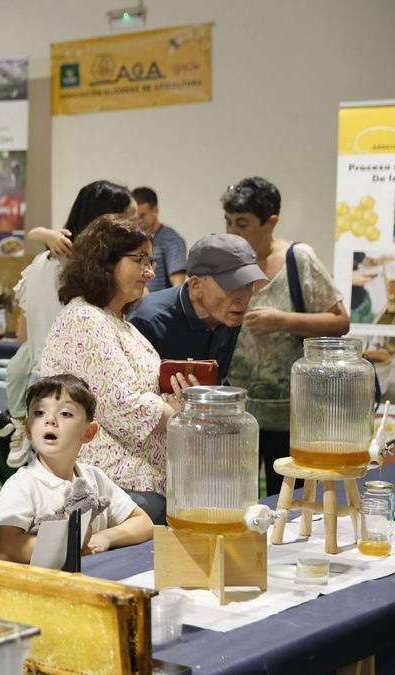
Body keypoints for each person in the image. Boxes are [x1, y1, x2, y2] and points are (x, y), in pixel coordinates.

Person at [38, 215, 193, 524]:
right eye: (140, 260)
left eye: (151, 261)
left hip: (136, 487)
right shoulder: (85, 319)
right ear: (105, 261)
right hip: (115, 490)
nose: (150, 273)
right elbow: (124, 405)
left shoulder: (116, 322)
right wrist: (177, 415)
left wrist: (173, 402)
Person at [220, 177, 348, 495]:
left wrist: (283, 320)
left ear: (271, 222)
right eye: (228, 222)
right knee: (237, 501)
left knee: (288, 502)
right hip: (238, 411)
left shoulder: (298, 259)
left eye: (242, 223)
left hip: (291, 413)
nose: (232, 232)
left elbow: (340, 321)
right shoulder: (225, 263)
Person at [8, 180, 136, 465]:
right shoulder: (90, 276)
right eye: (129, 220)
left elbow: (22, 334)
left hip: (40, 392)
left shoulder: (39, 265)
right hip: (79, 401)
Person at [0, 375, 153, 563]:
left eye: (66, 414)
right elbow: (8, 549)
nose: (50, 420)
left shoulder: (94, 478)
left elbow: (144, 523)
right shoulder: (21, 484)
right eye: (39, 412)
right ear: (28, 428)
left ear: (88, 432)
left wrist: (104, 538)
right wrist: (70, 543)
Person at [129, 233, 267, 377]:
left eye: (249, 284)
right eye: (231, 286)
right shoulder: (147, 322)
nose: (242, 297)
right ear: (196, 286)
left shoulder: (228, 314)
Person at [132, 187, 188, 293]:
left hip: (159, 307)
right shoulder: (134, 240)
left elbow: (178, 287)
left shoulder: (171, 240)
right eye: (135, 216)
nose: (138, 221)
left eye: (142, 215)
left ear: (155, 210)